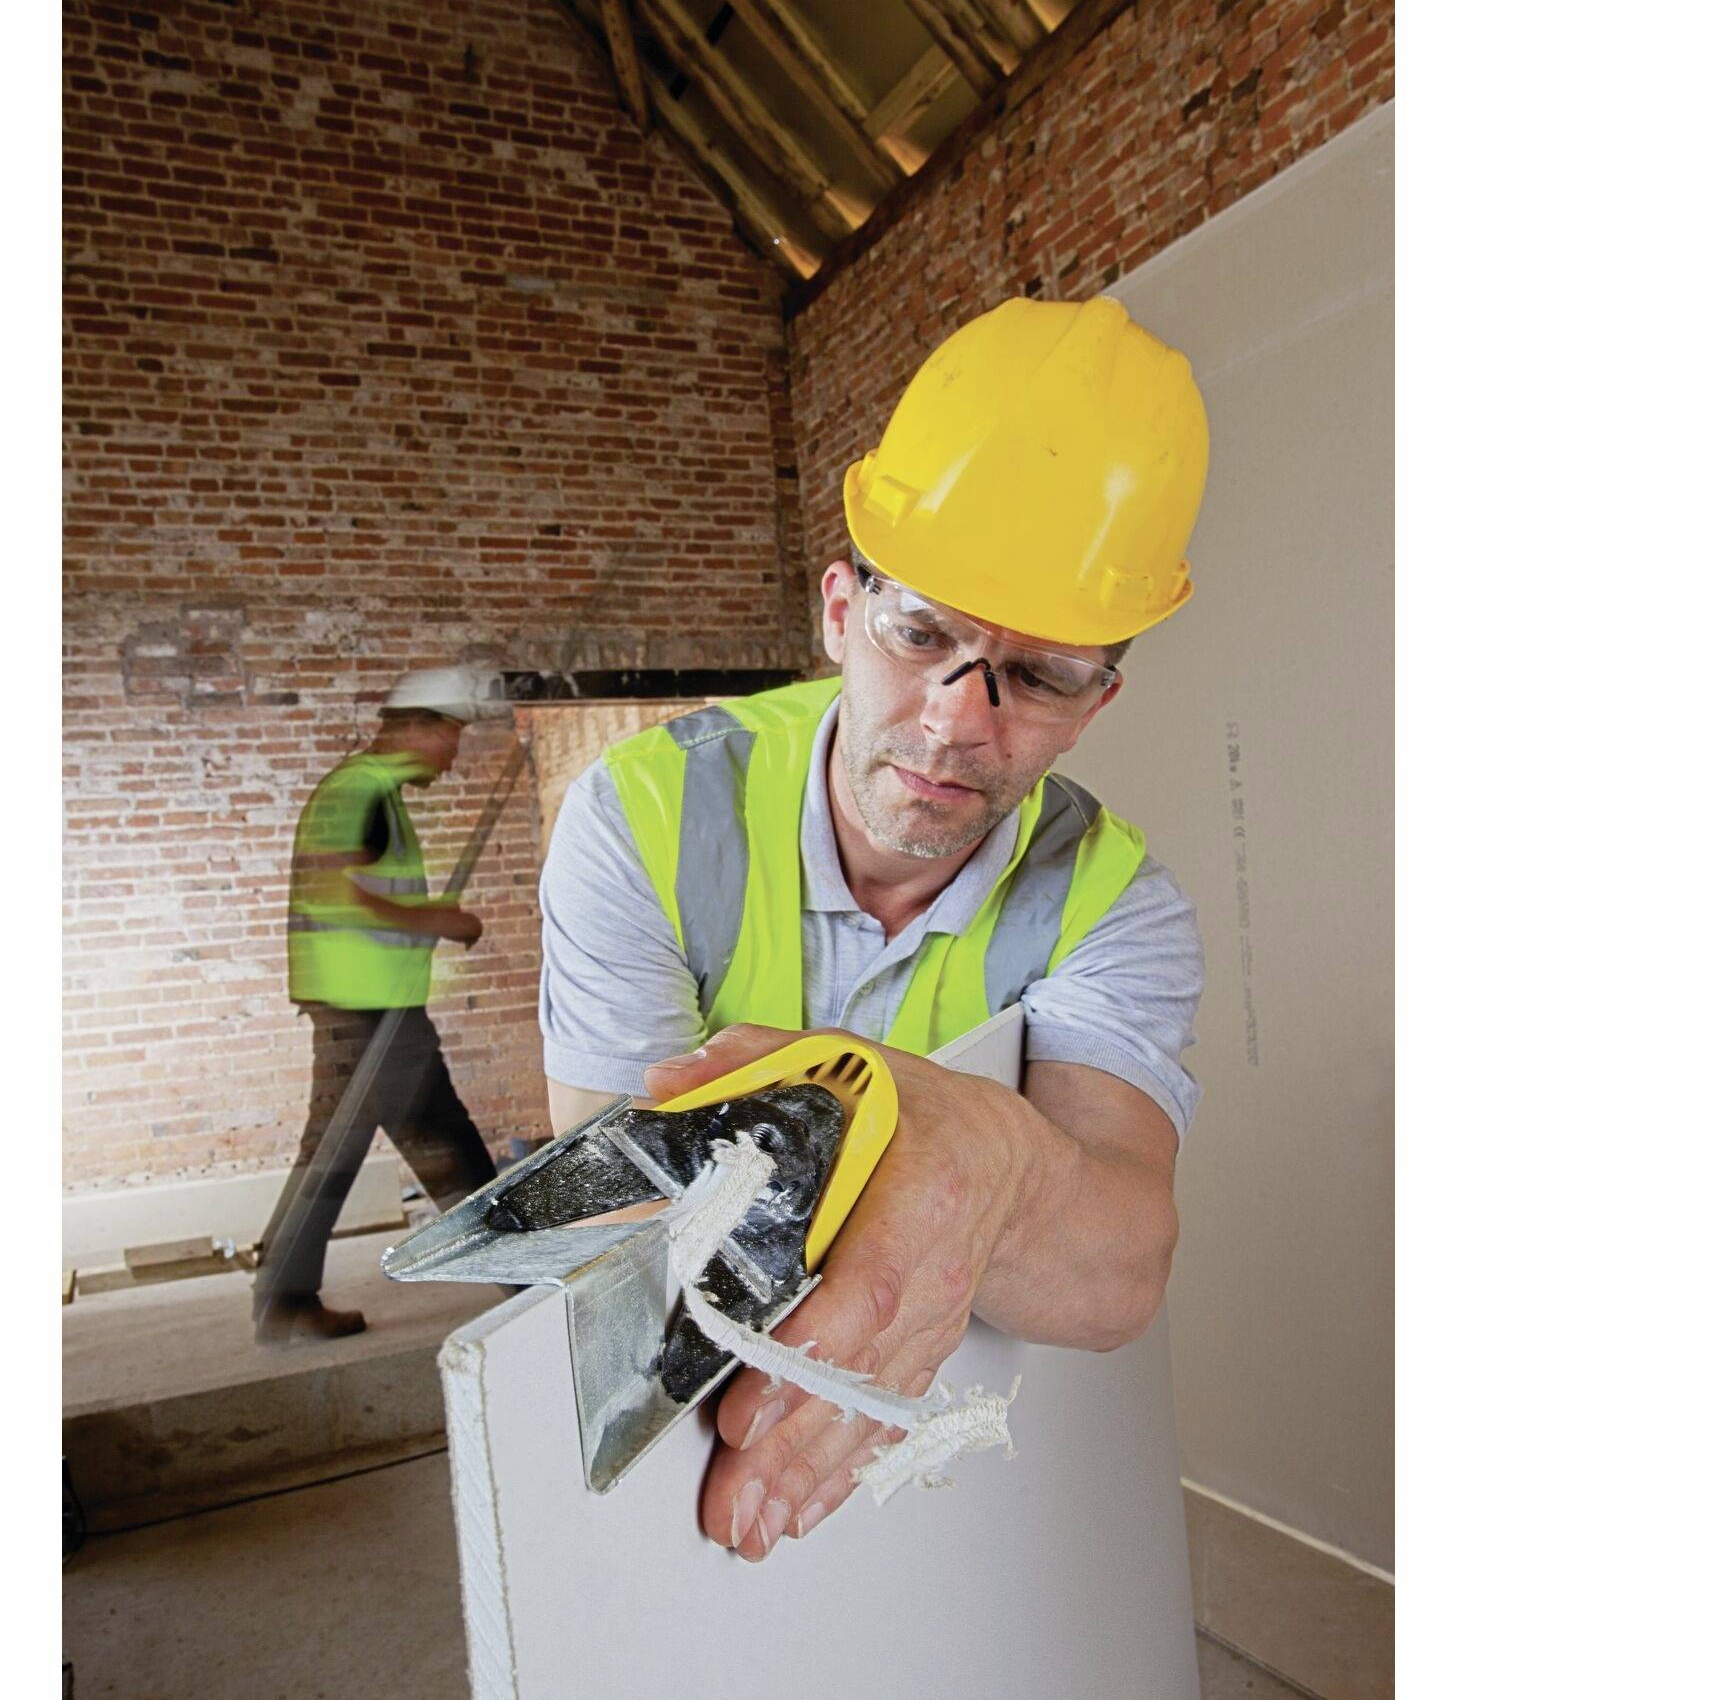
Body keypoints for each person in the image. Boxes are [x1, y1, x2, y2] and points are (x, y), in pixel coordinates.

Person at [537, 295, 1210, 1556]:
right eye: (923, 635)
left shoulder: (1116, 902)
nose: (959, 720)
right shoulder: (644, 816)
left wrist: (990, 1164)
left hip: (968, 1465)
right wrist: (895, 1137)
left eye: (1038, 677)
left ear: (1094, 701)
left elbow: (1116, 1272)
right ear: (841, 612)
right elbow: (613, 1214)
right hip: (710, 1447)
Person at [252, 665, 505, 1344]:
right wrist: (437, 922)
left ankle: (520, 1271)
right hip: (362, 1010)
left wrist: (427, 921)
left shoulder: (374, 796)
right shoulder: (357, 792)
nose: (453, 758)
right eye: (450, 737)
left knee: (431, 1141)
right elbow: (332, 892)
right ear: (416, 727)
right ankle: (284, 1296)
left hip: (375, 1005)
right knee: (388, 1148)